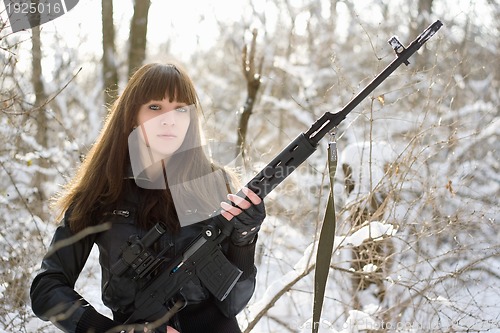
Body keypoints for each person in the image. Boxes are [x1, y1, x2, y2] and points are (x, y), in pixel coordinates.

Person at [30, 62, 266, 333]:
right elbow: (47, 287)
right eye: (155, 107)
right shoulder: (102, 193)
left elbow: (234, 303)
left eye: (180, 109)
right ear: (132, 116)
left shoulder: (213, 184)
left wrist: (244, 239)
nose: (169, 119)